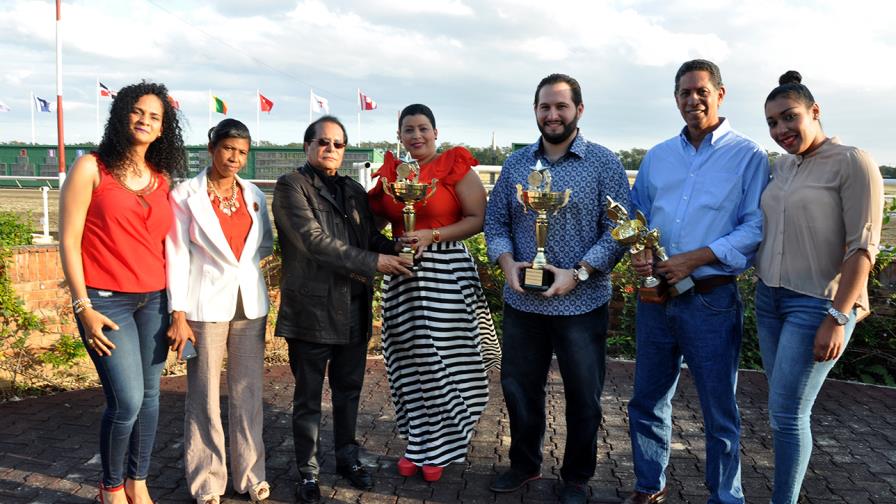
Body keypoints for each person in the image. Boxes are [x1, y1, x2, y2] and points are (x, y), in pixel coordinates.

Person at [624, 59, 769, 504]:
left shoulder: (749, 156)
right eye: (684, 93)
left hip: (711, 299)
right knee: (647, 400)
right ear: (675, 99)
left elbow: (755, 226)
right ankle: (650, 485)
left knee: (718, 409)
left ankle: (726, 496)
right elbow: (636, 214)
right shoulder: (658, 156)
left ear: (720, 95)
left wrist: (696, 258)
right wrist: (640, 249)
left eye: (701, 91)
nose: (693, 99)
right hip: (656, 298)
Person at [484, 74, 631, 504]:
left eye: (561, 107)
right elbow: (496, 223)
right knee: (518, 389)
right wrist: (507, 262)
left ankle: (576, 477)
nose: (552, 115)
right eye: (545, 107)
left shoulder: (604, 163)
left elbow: (619, 230)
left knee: (583, 395)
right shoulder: (515, 165)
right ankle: (525, 464)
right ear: (536, 111)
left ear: (578, 111)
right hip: (524, 302)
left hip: (582, 304)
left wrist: (580, 272)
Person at [755, 71, 884, 504]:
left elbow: (863, 248)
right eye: (772, 123)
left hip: (819, 304)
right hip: (769, 299)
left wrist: (838, 315)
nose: (780, 131)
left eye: (789, 117)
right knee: (781, 411)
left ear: (814, 111)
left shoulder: (853, 161)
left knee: (789, 414)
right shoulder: (782, 165)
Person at [272, 116, 413, 504]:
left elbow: (367, 237)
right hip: (311, 312)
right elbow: (313, 242)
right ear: (307, 146)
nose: (330, 149)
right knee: (308, 397)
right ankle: (308, 471)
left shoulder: (352, 189)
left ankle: (347, 458)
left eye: (337, 144)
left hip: (353, 306)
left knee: (349, 391)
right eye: (323, 142)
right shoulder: (291, 186)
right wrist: (375, 262)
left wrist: (399, 247)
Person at [59, 81, 186, 504]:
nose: (145, 120)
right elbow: (69, 240)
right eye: (138, 111)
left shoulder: (160, 178)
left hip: (155, 300)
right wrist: (84, 307)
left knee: (151, 398)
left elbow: (170, 247)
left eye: (155, 116)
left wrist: (177, 310)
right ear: (120, 115)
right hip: (105, 301)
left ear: (163, 128)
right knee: (126, 400)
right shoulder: (91, 167)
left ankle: (138, 481)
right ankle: (110, 487)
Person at [367, 104, 501, 482]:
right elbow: (373, 215)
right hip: (403, 275)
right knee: (407, 360)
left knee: (446, 360)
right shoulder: (393, 173)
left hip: (446, 273)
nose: (416, 136)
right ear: (400, 135)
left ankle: (443, 446)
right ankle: (417, 443)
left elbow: (478, 219)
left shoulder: (455, 167)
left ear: (436, 132)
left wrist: (433, 235)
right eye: (408, 129)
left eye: (423, 128)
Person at [165, 119, 274, 504]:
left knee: (248, 391)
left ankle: (251, 474)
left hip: (249, 304)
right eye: (229, 148)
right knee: (204, 394)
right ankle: (208, 481)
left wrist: (240, 272)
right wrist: (178, 312)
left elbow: (264, 246)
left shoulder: (254, 194)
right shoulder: (185, 194)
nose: (235, 158)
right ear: (212, 147)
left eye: (243, 152)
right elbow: (176, 254)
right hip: (203, 304)